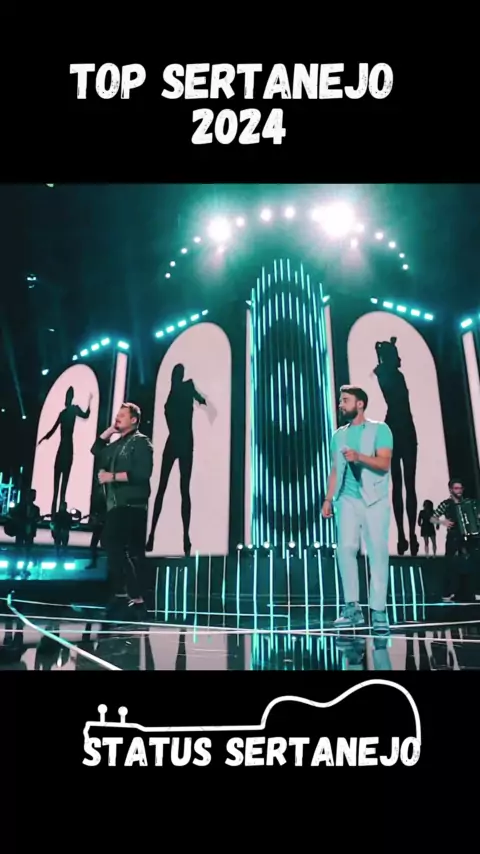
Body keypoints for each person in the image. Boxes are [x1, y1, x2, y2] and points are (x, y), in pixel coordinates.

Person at [322, 385, 394, 633]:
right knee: (345, 550)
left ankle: (378, 610)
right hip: (346, 499)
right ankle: (352, 608)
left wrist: (360, 457)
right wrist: (328, 499)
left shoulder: (380, 429)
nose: (341, 404)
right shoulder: (338, 435)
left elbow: (384, 464)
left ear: (360, 403)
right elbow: (335, 469)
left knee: (377, 552)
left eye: (345, 400)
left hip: (375, 499)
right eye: (341, 400)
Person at [90, 402, 154, 620]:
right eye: (117, 415)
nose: (118, 418)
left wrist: (112, 477)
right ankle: (132, 598)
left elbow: (142, 473)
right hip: (116, 504)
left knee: (116, 546)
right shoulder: (118, 444)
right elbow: (96, 450)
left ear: (134, 420)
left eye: (122, 415)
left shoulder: (141, 442)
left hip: (131, 504)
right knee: (114, 548)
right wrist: (110, 430)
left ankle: (130, 597)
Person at [146, 364, 207, 556]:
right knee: (172, 489)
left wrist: (200, 400)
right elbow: (199, 400)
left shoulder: (179, 392)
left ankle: (179, 538)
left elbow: (198, 399)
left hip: (178, 441)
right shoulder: (179, 392)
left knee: (175, 489)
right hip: (180, 441)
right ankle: (157, 535)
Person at [38, 387, 92, 515]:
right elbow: (53, 429)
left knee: (62, 484)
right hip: (64, 448)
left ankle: (58, 513)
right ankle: (54, 512)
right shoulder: (66, 412)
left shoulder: (71, 411)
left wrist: (89, 402)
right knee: (58, 483)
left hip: (66, 447)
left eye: (68, 397)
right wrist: (44, 438)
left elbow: (85, 415)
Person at [431, 479, 469, 601]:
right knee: (450, 564)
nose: (459, 491)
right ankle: (448, 592)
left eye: (461, 488)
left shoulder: (467, 503)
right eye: (456, 488)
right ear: (451, 490)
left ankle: (468, 591)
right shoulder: (446, 504)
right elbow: (432, 518)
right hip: (453, 536)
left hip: (468, 537)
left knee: (469, 563)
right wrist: (443, 522)